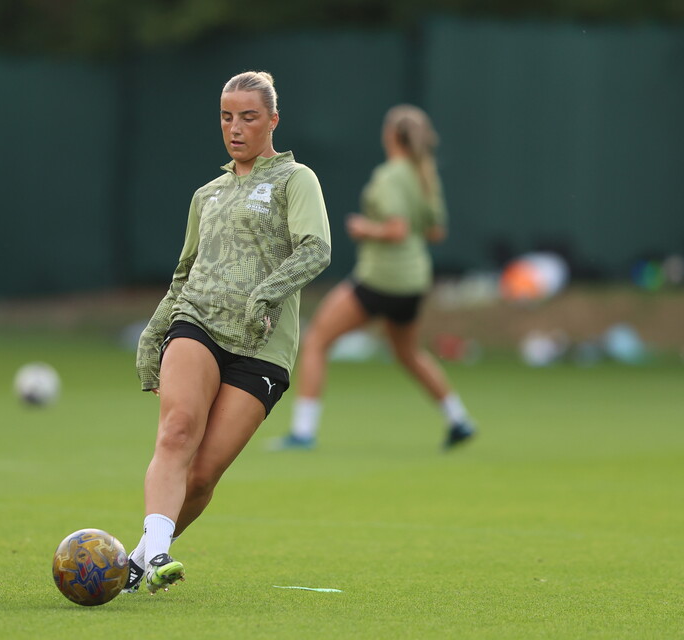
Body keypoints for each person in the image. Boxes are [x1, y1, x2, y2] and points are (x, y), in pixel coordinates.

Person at [126, 70, 332, 595]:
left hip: (264, 347)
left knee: (202, 476)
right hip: (197, 323)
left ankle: (134, 560)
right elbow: (183, 272)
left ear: (272, 121)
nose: (235, 127)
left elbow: (316, 248)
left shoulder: (295, 179)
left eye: (248, 116)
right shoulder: (207, 194)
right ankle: (159, 557)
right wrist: (155, 332)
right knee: (177, 432)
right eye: (226, 116)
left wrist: (265, 294)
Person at [270, 104, 476, 452]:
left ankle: (303, 432)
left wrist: (365, 228)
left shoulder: (391, 175)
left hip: (382, 278)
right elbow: (436, 230)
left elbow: (397, 229)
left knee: (318, 339)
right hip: (413, 282)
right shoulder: (424, 174)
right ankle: (458, 419)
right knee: (407, 352)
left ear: (392, 136)